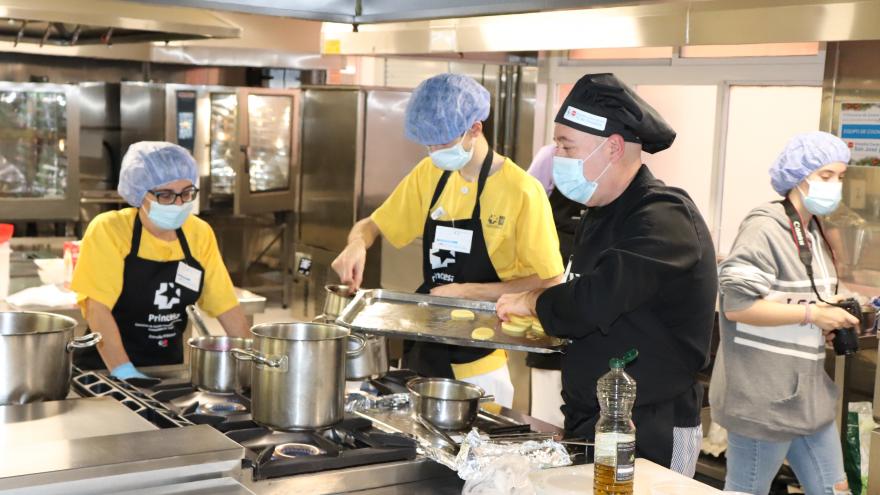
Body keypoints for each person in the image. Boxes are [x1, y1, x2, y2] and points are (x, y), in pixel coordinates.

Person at [495, 73, 717, 475]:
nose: (556, 155)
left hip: (650, 426)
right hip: (594, 417)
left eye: (566, 145)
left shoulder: (663, 217)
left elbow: (594, 300)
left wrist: (532, 300)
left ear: (613, 147)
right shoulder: (599, 213)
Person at [331, 74, 564, 408]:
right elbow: (371, 224)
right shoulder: (430, 174)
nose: (434, 152)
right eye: (428, 144)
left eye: (442, 143)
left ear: (475, 128)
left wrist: (468, 292)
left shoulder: (522, 191)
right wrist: (357, 243)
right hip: (425, 338)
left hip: (481, 353)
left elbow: (549, 280)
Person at [710, 131, 856, 495]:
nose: (835, 186)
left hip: (807, 397)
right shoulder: (764, 227)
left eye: (840, 177)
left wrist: (825, 317)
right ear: (798, 176)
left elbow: (793, 300)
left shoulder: (814, 234)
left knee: (834, 489)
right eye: (825, 176)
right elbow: (737, 306)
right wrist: (812, 316)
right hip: (764, 400)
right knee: (747, 489)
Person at [72, 141, 251, 379]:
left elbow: (226, 306)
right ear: (139, 193)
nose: (178, 204)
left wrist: (256, 362)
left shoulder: (198, 233)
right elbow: (98, 310)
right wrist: (125, 372)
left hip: (168, 369)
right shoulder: (110, 229)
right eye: (165, 195)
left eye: (186, 193)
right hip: (104, 370)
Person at [525, 143, 586, 427]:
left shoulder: (613, 169)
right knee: (547, 421)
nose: (563, 148)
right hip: (549, 304)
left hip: (588, 309)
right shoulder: (549, 158)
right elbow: (525, 208)